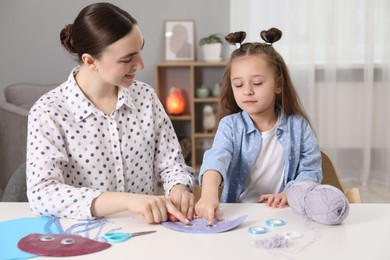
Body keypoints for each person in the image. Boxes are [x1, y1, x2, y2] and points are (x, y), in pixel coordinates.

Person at [26, 2, 195, 224]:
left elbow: (172, 165)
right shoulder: (48, 112)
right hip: (82, 235)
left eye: (140, 51)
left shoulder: (146, 97)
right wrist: (126, 201)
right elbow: (42, 194)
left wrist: (179, 187)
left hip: (149, 232)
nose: (141, 64)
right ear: (90, 61)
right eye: (127, 59)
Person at [195, 28, 322, 224]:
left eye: (257, 83)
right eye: (238, 85)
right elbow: (216, 158)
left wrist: (290, 192)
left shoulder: (298, 126)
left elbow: (311, 170)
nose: (247, 91)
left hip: (286, 212)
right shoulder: (230, 126)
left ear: (278, 84)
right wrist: (209, 194)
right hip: (240, 214)